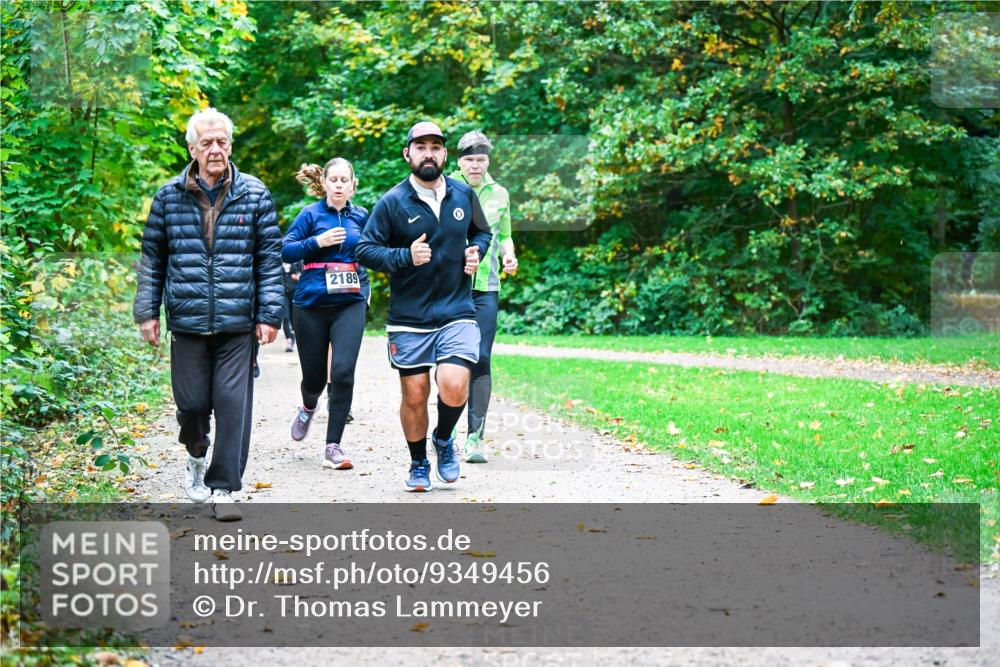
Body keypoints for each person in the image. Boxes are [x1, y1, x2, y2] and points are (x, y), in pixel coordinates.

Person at [133, 107, 283, 521]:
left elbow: (268, 259)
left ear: (230, 146)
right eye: (207, 143)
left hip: (238, 324)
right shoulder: (168, 196)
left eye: (222, 142)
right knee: (194, 405)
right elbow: (152, 259)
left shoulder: (255, 194)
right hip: (188, 321)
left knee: (233, 404)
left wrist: (270, 313)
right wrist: (148, 312)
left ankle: (223, 487)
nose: (215, 150)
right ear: (192, 148)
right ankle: (196, 453)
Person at [357, 121, 491, 492]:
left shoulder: (464, 195)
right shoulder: (392, 202)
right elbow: (365, 250)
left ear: (445, 154)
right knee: (415, 395)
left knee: (454, 385)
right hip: (409, 317)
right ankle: (418, 463)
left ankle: (444, 440)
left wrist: (475, 251)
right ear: (408, 154)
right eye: (421, 147)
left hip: (456, 310)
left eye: (435, 146)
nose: (428, 153)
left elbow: (482, 232)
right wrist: (405, 256)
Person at [282, 158, 370, 470]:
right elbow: (285, 249)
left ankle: (333, 445)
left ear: (353, 184)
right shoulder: (310, 215)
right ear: (325, 184)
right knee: (315, 378)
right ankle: (308, 405)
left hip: (349, 303)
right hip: (311, 304)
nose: (338, 185)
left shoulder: (361, 216)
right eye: (333, 180)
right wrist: (317, 242)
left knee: (343, 372)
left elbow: (373, 252)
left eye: (344, 180)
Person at [451, 131, 518, 463]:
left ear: (487, 160)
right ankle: (446, 431)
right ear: (459, 161)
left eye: (481, 160)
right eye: (469, 160)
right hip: (449, 287)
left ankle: (475, 437)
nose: (475, 166)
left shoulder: (500, 193)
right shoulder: (445, 188)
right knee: (452, 361)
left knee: (481, 357)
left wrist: (510, 255)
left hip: (486, 287)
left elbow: (505, 234)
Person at [282, 260, 304, 352]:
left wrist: (298, 276)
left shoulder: (296, 260)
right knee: (285, 318)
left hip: (295, 293)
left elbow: (305, 273)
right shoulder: (278, 260)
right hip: (282, 293)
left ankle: (294, 338)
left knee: (293, 318)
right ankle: (289, 341)